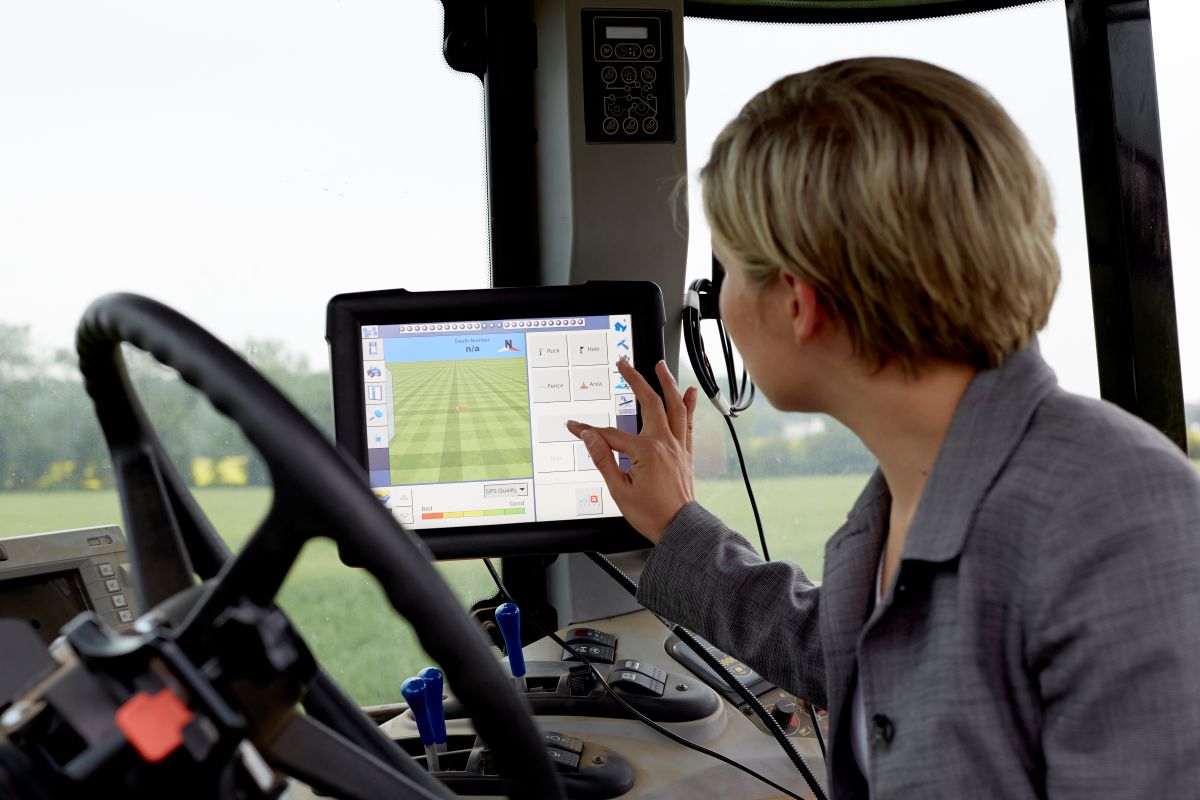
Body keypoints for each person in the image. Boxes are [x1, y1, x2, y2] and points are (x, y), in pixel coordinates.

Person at [567, 57, 1200, 798]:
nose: (721, 305)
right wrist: (678, 526)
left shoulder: (1120, 527)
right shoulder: (913, 486)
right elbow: (855, 655)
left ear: (799, 303)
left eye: (729, 272)